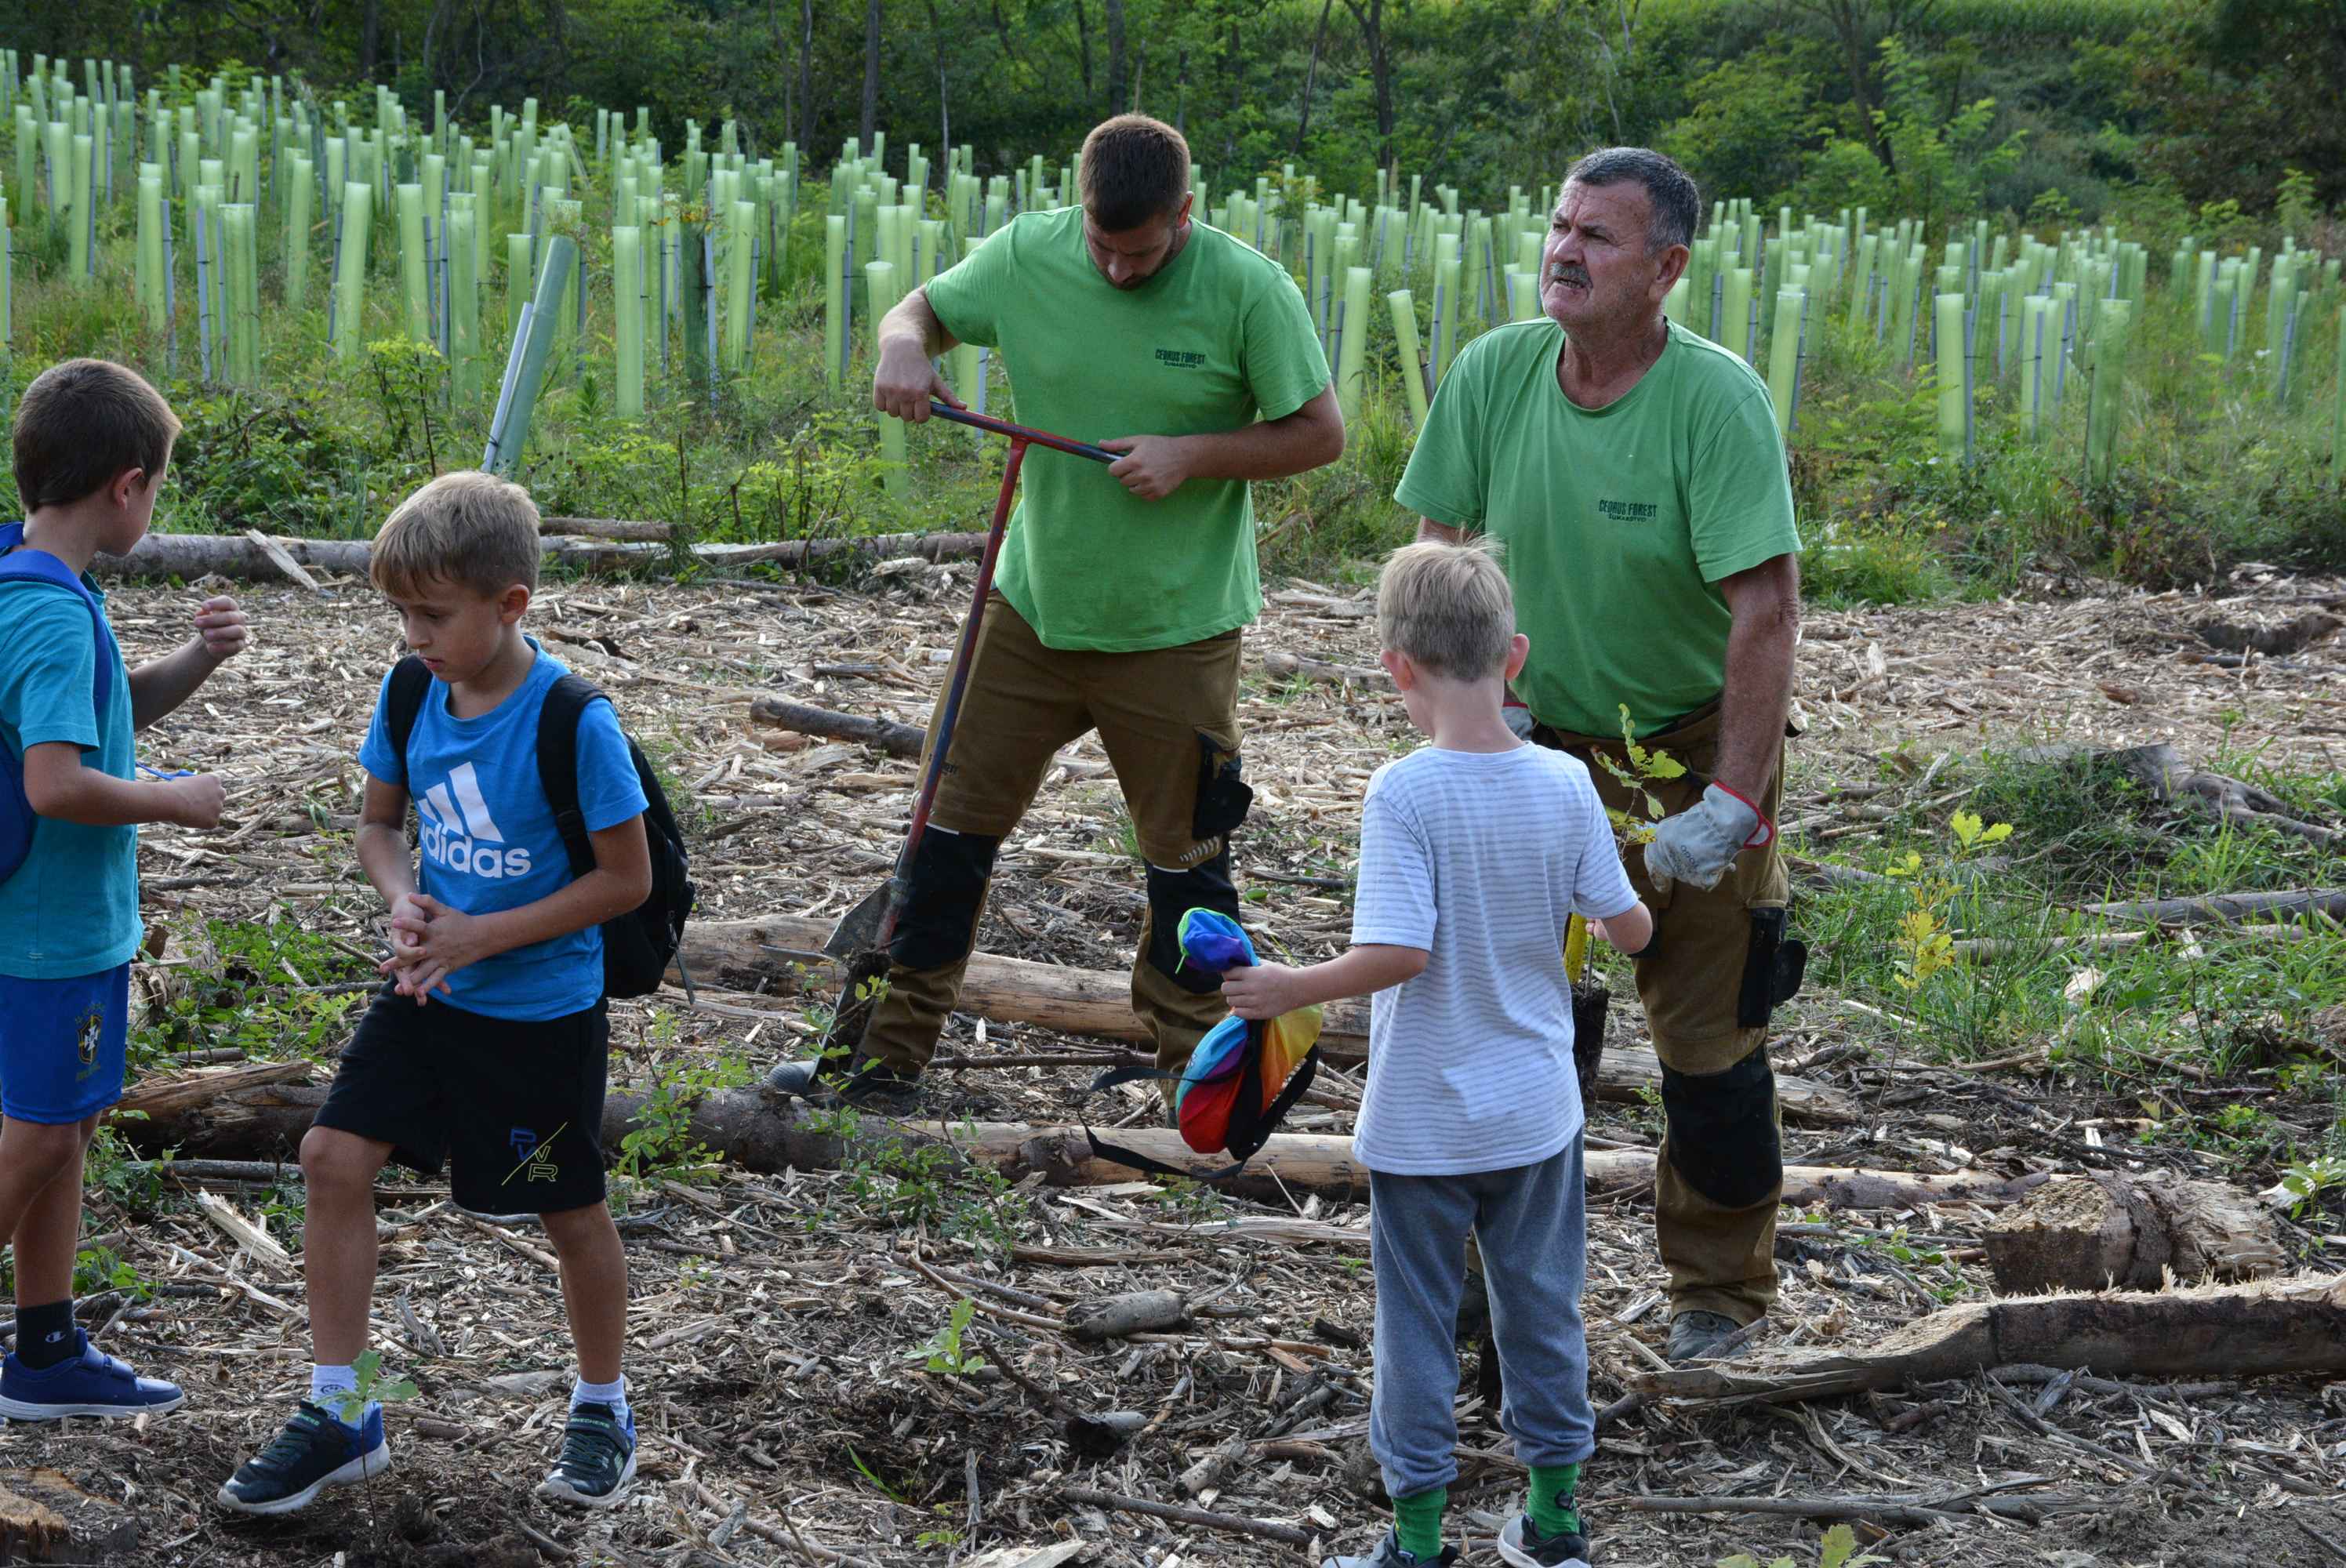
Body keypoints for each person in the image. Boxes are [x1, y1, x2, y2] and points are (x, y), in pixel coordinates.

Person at [769, 114, 1344, 1112]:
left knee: (1187, 862)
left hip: (1175, 627)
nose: (1118, 270)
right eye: (1101, 247)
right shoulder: (1027, 252)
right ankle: (878, 1063)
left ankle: (1199, 1085)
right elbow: (922, 309)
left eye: (1141, 254)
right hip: (1028, 610)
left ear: (1184, 213)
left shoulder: (1251, 289)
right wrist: (902, 346)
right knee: (943, 837)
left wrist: (1192, 453)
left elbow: (1319, 433)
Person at [1396, 147, 1803, 1366]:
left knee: (1709, 1042)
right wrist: (1472, 712)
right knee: (1505, 1026)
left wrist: (1731, 799)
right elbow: (1436, 556)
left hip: (1681, 749)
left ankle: (1719, 1295)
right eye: (1561, 226)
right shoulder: (1494, 374)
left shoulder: (1715, 403)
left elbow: (1766, 609)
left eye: (1599, 237)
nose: (1565, 251)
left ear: (1666, 269)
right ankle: (1485, 1285)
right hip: (1530, 740)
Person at [218, 471, 652, 1515]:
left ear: (511, 604)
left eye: (433, 614)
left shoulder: (573, 720)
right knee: (331, 1157)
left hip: (537, 1015)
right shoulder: (412, 690)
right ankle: (343, 1409)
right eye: (401, 614)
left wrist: (478, 935)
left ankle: (603, 1407)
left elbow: (625, 880)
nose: (414, 636)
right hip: (428, 991)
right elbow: (379, 826)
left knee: (567, 1208)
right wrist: (406, 901)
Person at [1223, 542, 1649, 1568]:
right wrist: (1608, 902)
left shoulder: (1405, 793)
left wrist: (1287, 987)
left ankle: (1416, 1542)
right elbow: (1633, 929)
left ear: (1397, 667)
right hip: (1535, 1112)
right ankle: (1553, 1523)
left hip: (1423, 1122)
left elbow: (1401, 952)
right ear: (1516, 656)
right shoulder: (1565, 782)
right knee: (1540, 1308)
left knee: (1414, 1325)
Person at [0, 358, 241, 1421]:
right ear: (127, 485)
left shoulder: (33, 584)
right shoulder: (51, 616)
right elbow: (56, 783)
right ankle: (43, 1350)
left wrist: (195, 660)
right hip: (48, 932)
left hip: (44, 924)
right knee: (43, 1136)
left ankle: (46, 1351)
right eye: (159, 490)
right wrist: (172, 802)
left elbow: (101, 714)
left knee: (65, 1128)